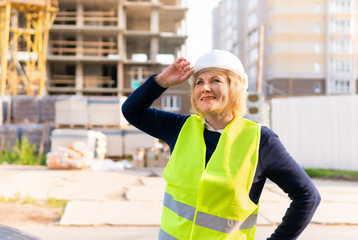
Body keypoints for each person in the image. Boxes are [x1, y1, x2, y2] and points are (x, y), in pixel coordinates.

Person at [122, 49, 321, 240]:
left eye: (215, 80)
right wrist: (161, 81)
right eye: (199, 82)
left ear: (235, 88)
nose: (205, 88)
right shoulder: (180, 128)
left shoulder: (260, 141)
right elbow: (132, 111)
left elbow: (307, 196)